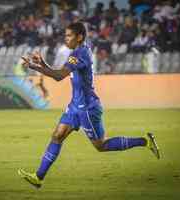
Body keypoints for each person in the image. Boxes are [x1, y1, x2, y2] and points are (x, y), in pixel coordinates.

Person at [18, 22, 160, 188]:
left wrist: (35, 67)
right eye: (66, 35)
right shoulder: (78, 52)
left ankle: (145, 142)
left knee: (101, 145)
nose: (66, 38)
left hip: (87, 108)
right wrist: (43, 64)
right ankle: (38, 177)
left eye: (69, 35)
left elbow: (59, 76)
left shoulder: (79, 53)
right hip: (74, 106)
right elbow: (59, 73)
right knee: (57, 135)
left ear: (79, 37)